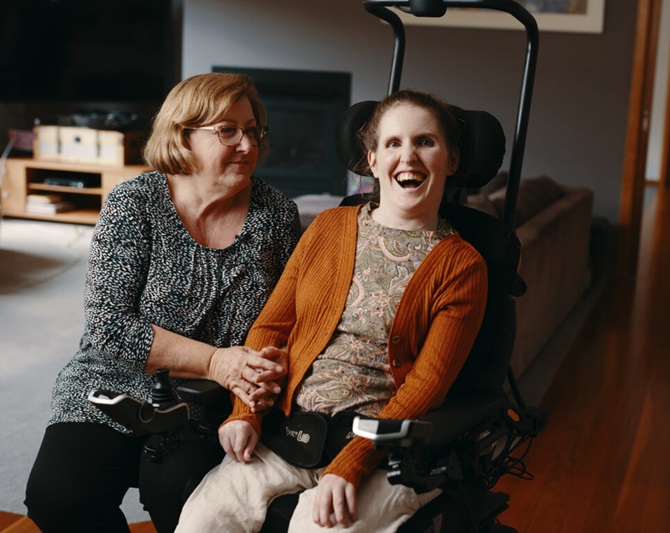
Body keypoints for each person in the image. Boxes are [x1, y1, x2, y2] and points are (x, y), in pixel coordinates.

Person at [175, 89, 489, 532]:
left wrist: (352, 463)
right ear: (373, 159)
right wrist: (244, 411)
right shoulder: (328, 228)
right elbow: (272, 326)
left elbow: (429, 384)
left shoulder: (462, 266)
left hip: (384, 450)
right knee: (202, 520)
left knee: (315, 527)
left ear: (452, 161)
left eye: (426, 142)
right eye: (393, 143)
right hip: (294, 430)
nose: (409, 157)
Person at [25, 72, 302, 533]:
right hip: (109, 385)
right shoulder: (135, 202)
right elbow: (109, 327)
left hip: (209, 403)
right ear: (182, 135)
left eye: (252, 130)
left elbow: (288, 320)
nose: (246, 143)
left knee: (182, 497)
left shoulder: (275, 215)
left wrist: (244, 382)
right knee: (59, 497)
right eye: (227, 130)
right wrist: (215, 360)